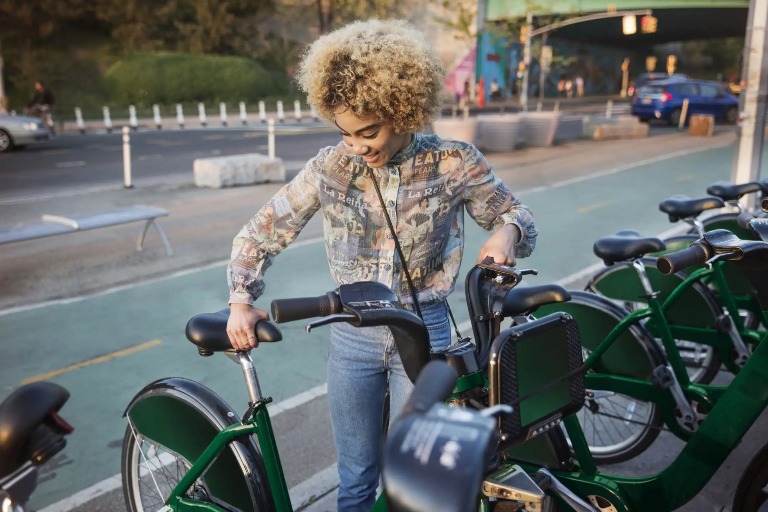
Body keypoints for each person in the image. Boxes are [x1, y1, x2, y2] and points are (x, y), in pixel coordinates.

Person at [225, 19, 537, 512]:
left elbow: (515, 213)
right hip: (351, 335)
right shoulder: (331, 168)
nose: (357, 146)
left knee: (414, 481)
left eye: (368, 132)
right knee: (356, 480)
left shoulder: (453, 162)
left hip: (427, 332)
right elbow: (260, 233)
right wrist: (241, 300)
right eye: (345, 134)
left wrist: (506, 233)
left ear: (402, 109)